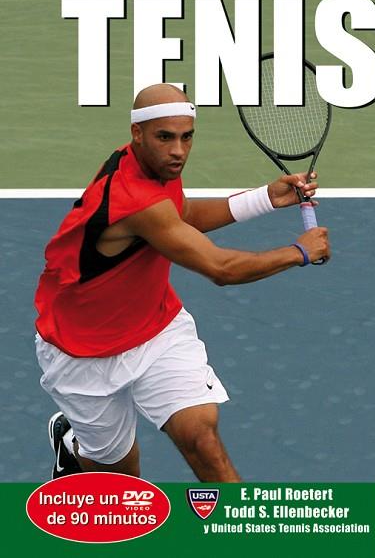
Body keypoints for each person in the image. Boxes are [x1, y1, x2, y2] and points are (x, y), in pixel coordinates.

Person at [35, 83, 330, 483]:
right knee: (121, 479)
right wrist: (299, 252)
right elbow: (221, 269)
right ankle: (74, 449)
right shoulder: (134, 200)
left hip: (156, 328)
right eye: (165, 137)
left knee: (202, 440)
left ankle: (241, 525)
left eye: (186, 137)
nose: (178, 150)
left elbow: (180, 213)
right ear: (137, 133)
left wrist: (265, 198)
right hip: (82, 350)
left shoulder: (148, 164)